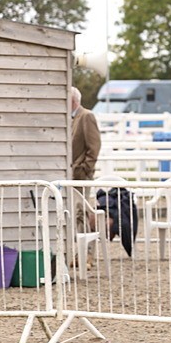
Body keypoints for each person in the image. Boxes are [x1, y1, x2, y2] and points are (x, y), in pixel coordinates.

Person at [69, 87, 102, 234]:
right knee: (75, 213)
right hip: (73, 174)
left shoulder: (86, 116)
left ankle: (86, 251)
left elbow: (94, 146)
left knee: (81, 212)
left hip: (80, 174)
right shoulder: (71, 118)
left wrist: (84, 169)